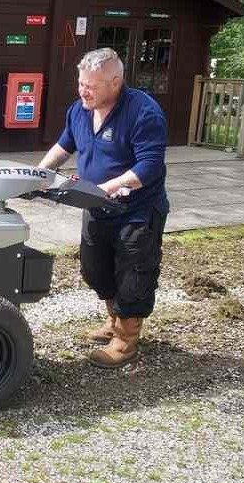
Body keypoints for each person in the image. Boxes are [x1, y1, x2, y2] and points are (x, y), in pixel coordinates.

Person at [38, 47, 169, 368]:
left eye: (92, 86)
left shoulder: (143, 112)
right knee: (94, 269)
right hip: (97, 208)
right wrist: (39, 174)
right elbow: (64, 144)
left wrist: (104, 189)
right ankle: (113, 321)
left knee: (133, 275)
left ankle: (126, 341)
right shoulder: (80, 110)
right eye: (81, 83)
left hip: (137, 211)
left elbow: (149, 166)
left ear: (115, 82)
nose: (84, 91)